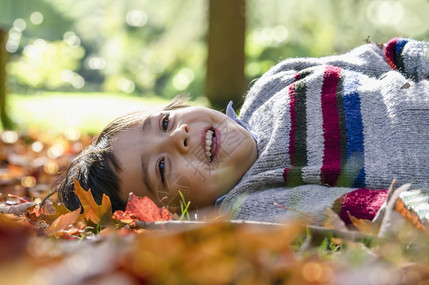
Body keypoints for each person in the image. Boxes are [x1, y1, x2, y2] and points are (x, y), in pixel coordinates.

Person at [58, 37, 429, 224]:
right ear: (178, 212)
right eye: (161, 168)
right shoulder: (251, 202)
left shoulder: (273, 83)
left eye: (166, 123)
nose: (178, 137)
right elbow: (362, 212)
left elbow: (381, 57)